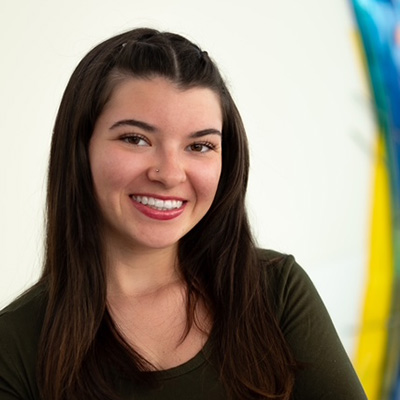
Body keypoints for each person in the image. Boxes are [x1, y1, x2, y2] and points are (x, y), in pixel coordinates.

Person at [0, 28, 367, 400]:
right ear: (81, 148)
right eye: (135, 139)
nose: (171, 173)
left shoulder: (276, 291)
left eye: (200, 145)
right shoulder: (14, 346)